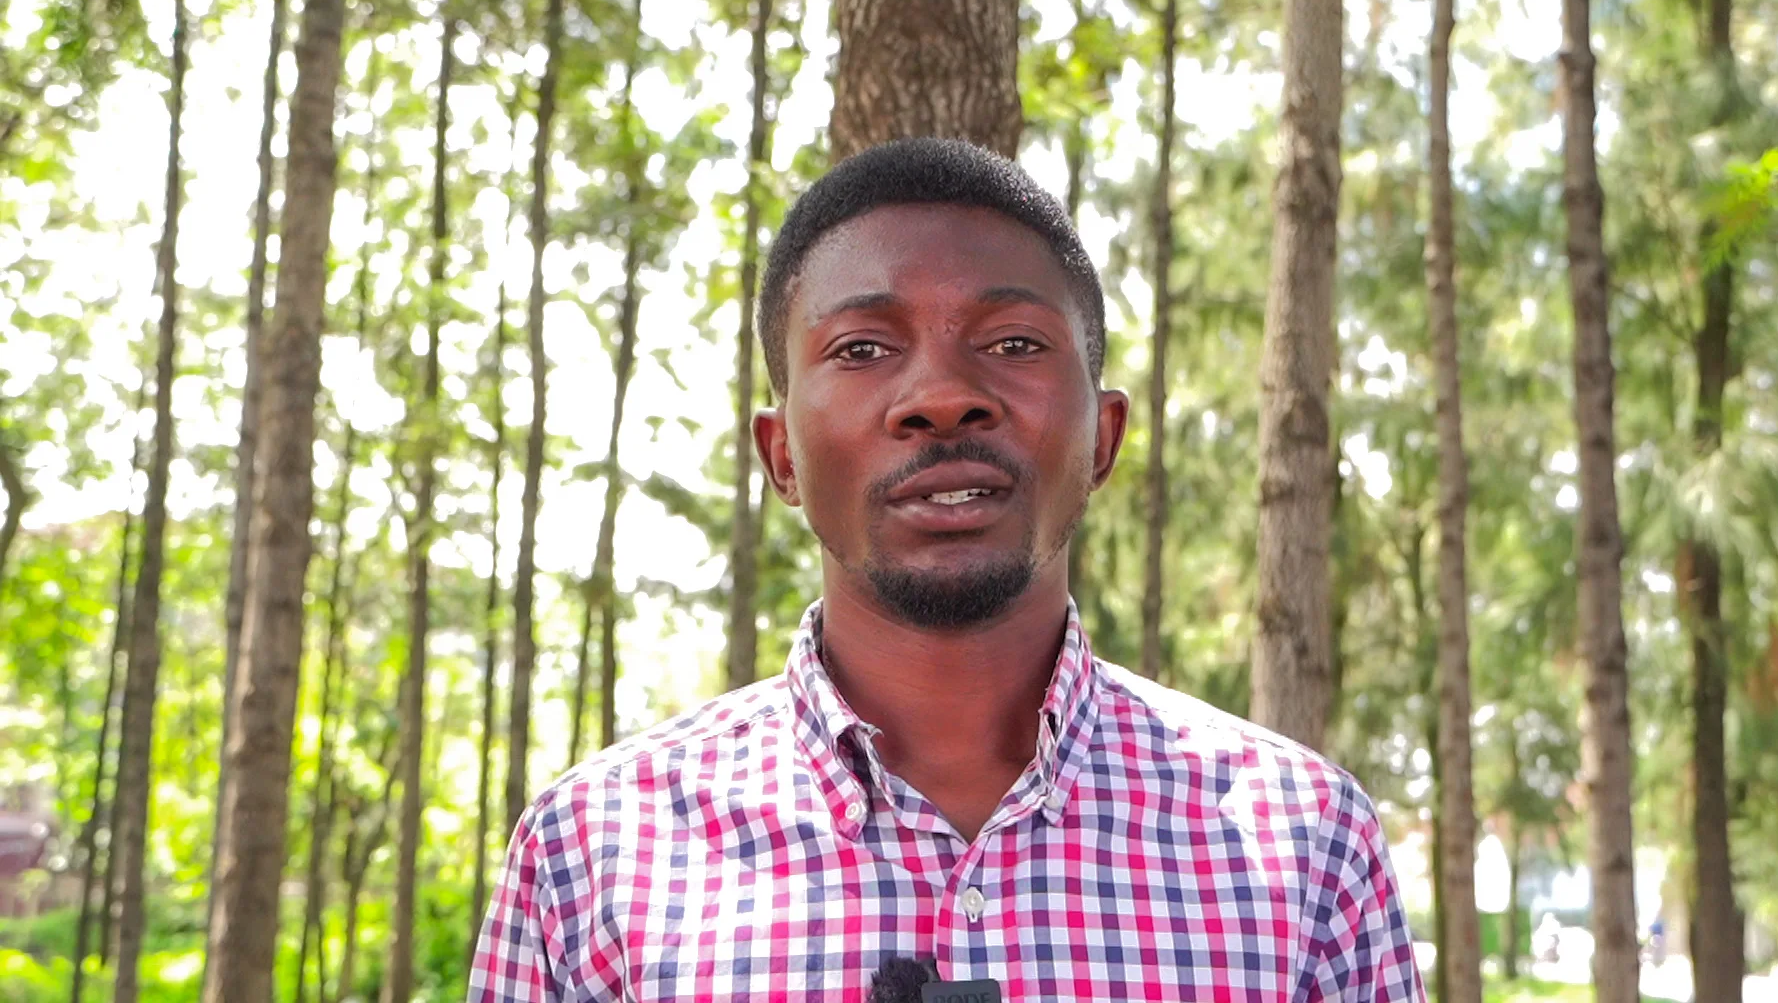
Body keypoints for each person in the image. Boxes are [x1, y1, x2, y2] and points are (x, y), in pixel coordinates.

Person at [468, 139, 1425, 1001]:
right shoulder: (593, 852)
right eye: (862, 349)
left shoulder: (1307, 845)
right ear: (782, 456)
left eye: (1013, 343)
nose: (941, 397)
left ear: (1103, 438)